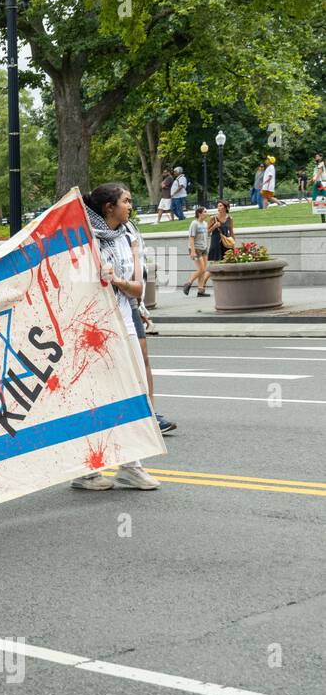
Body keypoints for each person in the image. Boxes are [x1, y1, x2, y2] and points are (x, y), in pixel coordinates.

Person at [71, 183, 166, 490]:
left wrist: (119, 282)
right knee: (99, 398)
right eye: (126, 201)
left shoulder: (127, 235)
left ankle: (130, 464)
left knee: (133, 392)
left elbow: (138, 287)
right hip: (95, 330)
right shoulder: (85, 239)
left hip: (124, 320)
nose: (130, 206)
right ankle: (86, 468)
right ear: (108, 207)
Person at [183, 205, 211, 297]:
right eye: (205, 212)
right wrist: (192, 251)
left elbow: (207, 234)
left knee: (203, 270)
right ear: (199, 213)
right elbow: (191, 238)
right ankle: (188, 283)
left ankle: (201, 290)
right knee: (201, 269)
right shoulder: (194, 223)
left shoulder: (205, 224)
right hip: (196, 249)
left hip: (204, 248)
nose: (206, 213)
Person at [207, 199, 235, 265]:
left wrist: (233, 243)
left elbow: (231, 232)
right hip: (216, 242)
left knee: (227, 262)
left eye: (220, 206)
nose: (218, 208)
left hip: (226, 242)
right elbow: (207, 232)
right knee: (216, 263)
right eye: (218, 206)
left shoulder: (230, 218)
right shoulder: (213, 218)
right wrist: (214, 226)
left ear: (225, 207)